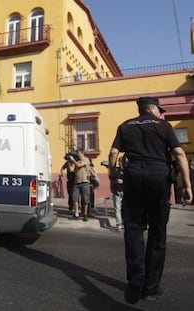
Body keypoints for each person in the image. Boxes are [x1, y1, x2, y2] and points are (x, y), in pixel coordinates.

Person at [108, 97, 192, 305]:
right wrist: (188, 185)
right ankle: (151, 288)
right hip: (158, 176)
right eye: (159, 110)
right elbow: (179, 154)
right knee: (157, 232)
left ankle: (135, 280)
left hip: (134, 176)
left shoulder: (126, 125)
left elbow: (113, 153)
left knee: (134, 229)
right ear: (153, 109)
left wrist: (113, 175)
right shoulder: (163, 126)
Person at [70, 149, 91, 221]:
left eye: (78, 153)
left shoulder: (86, 160)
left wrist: (73, 160)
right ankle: (76, 213)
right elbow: (71, 170)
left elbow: (79, 165)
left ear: (82, 153)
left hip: (85, 182)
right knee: (75, 198)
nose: (77, 155)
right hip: (76, 182)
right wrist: (70, 162)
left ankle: (85, 214)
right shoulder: (77, 161)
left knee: (85, 199)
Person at [111, 156, 124, 231]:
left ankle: (125, 223)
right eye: (119, 162)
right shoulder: (117, 171)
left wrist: (124, 182)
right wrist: (116, 181)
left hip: (126, 191)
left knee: (125, 209)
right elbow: (112, 180)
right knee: (117, 208)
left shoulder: (128, 170)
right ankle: (119, 224)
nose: (120, 163)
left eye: (121, 162)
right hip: (117, 192)